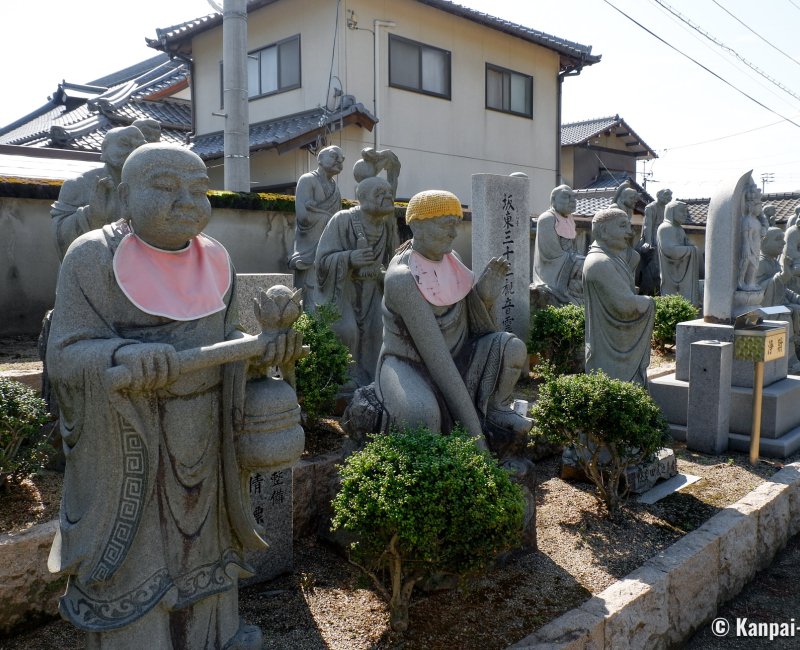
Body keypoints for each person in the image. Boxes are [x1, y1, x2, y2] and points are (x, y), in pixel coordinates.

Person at [47, 143, 302, 649]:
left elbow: (230, 342)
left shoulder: (215, 256)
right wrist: (119, 355)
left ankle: (215, 636)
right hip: (129, 442)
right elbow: (64, 354)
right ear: (124, 194)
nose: (186, 201)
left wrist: (265, 351)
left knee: (208, 552)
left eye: (197, 189)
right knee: (139, 561)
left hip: (206, 435)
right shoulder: (92, 257)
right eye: (165, 187)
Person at [375, 190, 531, 456]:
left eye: (456, 225)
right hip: (410, 363)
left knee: (512, 347)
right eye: (445, 224)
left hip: (459, 353)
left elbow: (474, 328)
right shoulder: (402, 277)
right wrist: (476, 440)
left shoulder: (452, 260)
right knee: (422, 415)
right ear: (417, 225)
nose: (453, 233)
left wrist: (484, 297)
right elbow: (438, 360)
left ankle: (496, 408)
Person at [314, 175, 399, 386]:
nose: (387, 197)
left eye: (389, 193)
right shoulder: (342, 220)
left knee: (381, 329)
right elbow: (321, 261)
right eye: (380, 194)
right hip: (344, 290)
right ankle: (343, 381)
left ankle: (375, 381)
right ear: (362, 198)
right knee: (346, 330)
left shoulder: (387, 226)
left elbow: (393, 261)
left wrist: (384, 273)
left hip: (374, 291)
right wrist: (350, 258)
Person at [50, 125, 146, 260]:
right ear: (104, 148)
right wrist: (92, 216)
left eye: (140, 146)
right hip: (93, 267)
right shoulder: (77, 185)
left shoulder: (150, 186)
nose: (133, 150)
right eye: (125, 144)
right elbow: (59, 237)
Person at [584, 207, 655, 386]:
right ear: (604, 231)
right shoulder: (600, 262)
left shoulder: (613, 258)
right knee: (616, 387)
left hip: (616, 340)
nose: (629, 233)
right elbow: (625, 306)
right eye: (623, 226)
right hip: (609, 348)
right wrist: (648, 302)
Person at [288, 146, 344, 305]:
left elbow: (338, 219)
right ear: (320, 159)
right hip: (310, 247)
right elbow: (303, 217)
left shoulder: (335, 188)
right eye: (334, 156)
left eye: (342, 159)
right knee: (308, 299)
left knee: (328, 298)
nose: (339, 161)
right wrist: (328, 218)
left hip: (330, 249)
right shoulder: (307, 180)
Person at [531, 184, 584, 305]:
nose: (572, 200)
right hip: (553, 266)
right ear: (553, 199)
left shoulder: (570, 219)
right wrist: (576, 259)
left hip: (569, 259)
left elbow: (573, 247)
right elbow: (551, 253)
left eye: (573, 197)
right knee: (586, 265)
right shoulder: (547, 218)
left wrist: (577, 257)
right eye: (566, 196)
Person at [657, 200, 700, 305]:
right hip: (671, 271)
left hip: (682, 268)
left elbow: (685, 244)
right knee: (673, 299)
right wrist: (691, 250)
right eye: (682, 212)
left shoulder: (679, 229)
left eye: (686, 212)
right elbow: (670, 251)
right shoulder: (665, 228)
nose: (685, 215)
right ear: (671, 211)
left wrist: (690, 246)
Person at [738, 177, 765, 291]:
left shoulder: (758, 221)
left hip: (756, 248)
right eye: (758, 207)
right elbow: (745, 236)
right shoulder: (747, 220)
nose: (760, 210)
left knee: (754, 267)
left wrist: (764, 228)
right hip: (748, 247)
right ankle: (741, 282)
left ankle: (750, 283)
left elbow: (764, 226)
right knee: (745, 265)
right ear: (750, 207)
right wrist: (745, 247)